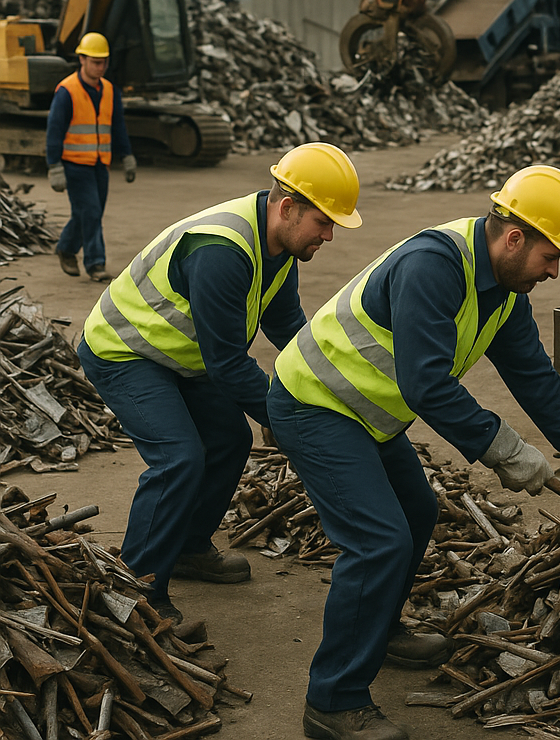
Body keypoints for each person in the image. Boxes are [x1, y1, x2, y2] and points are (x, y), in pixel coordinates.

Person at [267, 164, 560, 740]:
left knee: (417, 513)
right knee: (377, 541)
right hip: (314, 404)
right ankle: (333, 701)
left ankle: (378, 631)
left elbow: (534, 377)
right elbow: (426, 384)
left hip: (367, 415)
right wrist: (505, 449)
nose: (556, 271)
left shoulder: (504, 293)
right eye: (551, 255)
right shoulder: (433, 267)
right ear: (514, 238)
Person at [77, 142, 362, 623]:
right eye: (324, 221)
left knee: (230, 438)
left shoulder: (277, 245)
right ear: (288, 208)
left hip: (182, 357)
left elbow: (288, 325)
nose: (329, 236)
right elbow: (228, 362)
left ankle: (186, 547)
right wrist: (282, 414)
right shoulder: (222, 250)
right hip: (124, 351)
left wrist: (322, 391)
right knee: (178, 458)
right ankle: (136, 588)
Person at [46, 32, 137, 282]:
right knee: (92, 212)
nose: (100, 66)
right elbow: (54, 130)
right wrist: (54, 166)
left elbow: (118, 126)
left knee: (86, 214)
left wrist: (127, 156)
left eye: (104, 62)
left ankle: (65, 248)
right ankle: (96, 263)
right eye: (95, 61)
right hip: (75, 165)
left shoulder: (109, 90)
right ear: (82, 60)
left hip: (99, 165)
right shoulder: (67, 91)